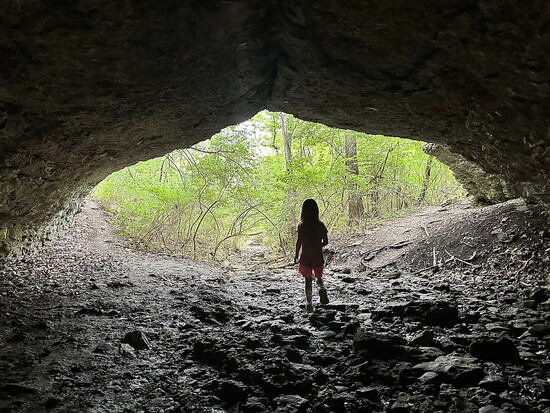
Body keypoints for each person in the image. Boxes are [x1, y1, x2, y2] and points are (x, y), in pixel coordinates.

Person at [294, 199, 329, 312]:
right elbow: (326, 241)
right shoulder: (320, 225)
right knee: (319, 277)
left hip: (306, 257)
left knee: (308, 280)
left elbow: (299, 242)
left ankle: (309, 303)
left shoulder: (302, 225)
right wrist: (318, 245)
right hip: (317, 256)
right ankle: (321, 288)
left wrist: (296, 255)